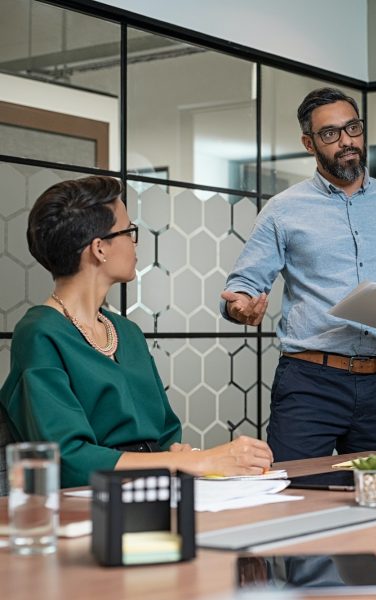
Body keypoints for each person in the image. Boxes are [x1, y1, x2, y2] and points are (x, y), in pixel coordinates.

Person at [220, 87, 376, 462]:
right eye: (330, 133)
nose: (346, 141)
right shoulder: (284, 210)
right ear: (308, 144)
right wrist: (241, 307)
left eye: (353, 128)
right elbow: (243, 286)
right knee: (292, 496)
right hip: (310, 384)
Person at [0, 176, 273, 488]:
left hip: (154, 489)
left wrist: (182, 455)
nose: (134, 241)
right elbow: (69, 459)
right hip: (88, 501)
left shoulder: (127, 333)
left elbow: (166, 434)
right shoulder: (39, 333)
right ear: (99, 249)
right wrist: (194, 460)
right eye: (129, 231)